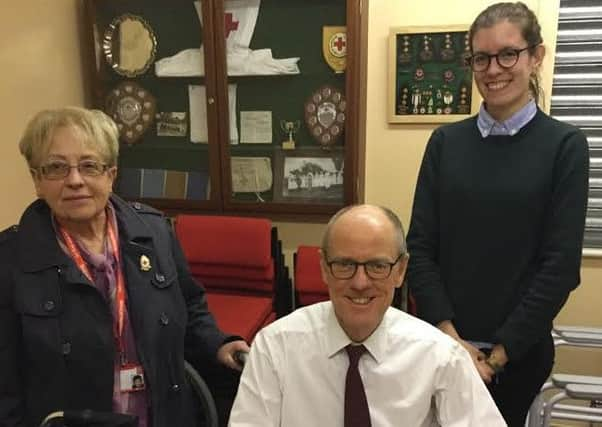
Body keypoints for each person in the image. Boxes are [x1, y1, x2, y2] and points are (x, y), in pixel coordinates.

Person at [0, 107, 250, 427]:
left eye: (89, 165)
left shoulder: (155, 232)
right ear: (37, 180)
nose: (75, 180)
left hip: (163, 414)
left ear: (111, 174)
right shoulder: (11, 259)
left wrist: (218, 342)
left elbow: (190, 304)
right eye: (56, 168)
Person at [406, 2, 589, 426]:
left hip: (517, 358)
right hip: (439, 345)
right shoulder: (445, 143)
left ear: (536, 56)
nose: (493, 69)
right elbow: (419, 247)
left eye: (508, 54)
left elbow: (560, 267)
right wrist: (453, 344)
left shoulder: (565, 147)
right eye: (481, 58)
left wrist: (497, 356)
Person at [229, 205, 506, 426]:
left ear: (400, 271)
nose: (360, 282)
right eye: (345, 264)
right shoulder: (275, 348)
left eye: (377, 266)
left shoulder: (440, 356)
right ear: (324, 268)